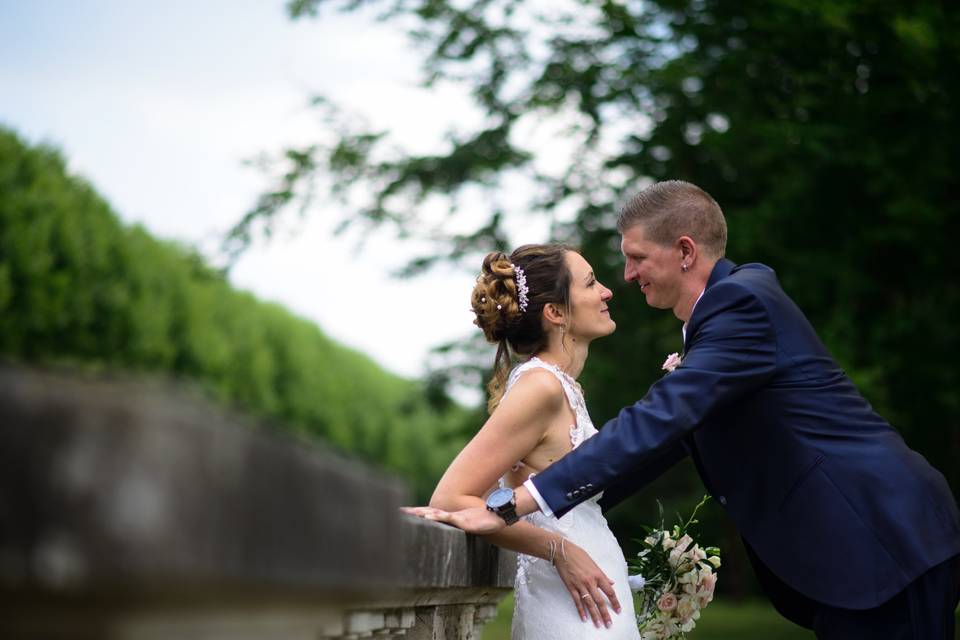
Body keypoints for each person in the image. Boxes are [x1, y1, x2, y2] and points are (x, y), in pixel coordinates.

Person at [415, 181, 960, 639]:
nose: (624, 278)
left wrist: (514, 504)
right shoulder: (714, 323)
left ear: (684, 251)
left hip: (880, 541)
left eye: (635, 258)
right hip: (859, 553)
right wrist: (556, 517)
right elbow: (657, 443)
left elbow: (660, 419)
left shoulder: (741, 303)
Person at [405, 244, 640, 638]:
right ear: (556, 313)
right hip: (569, 603)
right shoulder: (540, 387)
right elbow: (450, 497)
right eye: (591, 283)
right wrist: (559, 551)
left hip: (595, 594)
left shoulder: (563, 388)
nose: (607, 291)